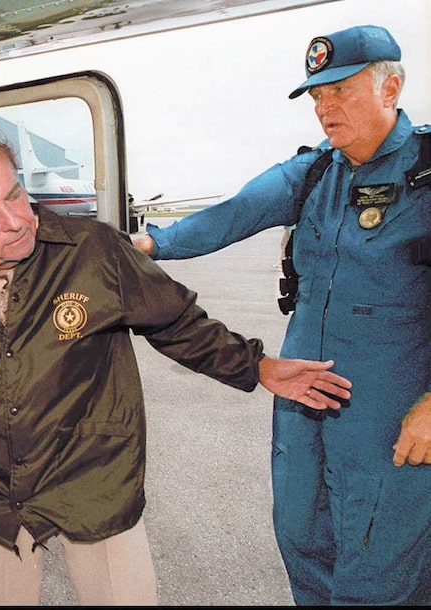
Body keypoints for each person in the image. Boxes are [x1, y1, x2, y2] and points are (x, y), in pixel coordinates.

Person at [0, 129, 352, 606]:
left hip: (90, 478)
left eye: (14, 195)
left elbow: (176, 322)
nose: (15, 220)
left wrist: (257, 365)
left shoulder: (94, 251)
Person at [132, 24, 431, 605]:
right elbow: (234, 211)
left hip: (390, 413)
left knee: (382, 567)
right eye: (317, 96)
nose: (325, 107)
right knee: (302, 543)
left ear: (390, 87)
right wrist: (151, 245)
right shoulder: (316, 171)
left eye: (340, 90)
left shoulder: (428, 173)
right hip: (304, 404)